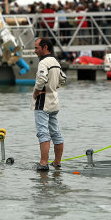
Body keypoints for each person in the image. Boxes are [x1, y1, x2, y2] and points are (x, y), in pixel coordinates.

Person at [32, 37, 66, 171]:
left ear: (45, 48)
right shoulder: (55, 61)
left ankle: (43, 163)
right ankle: (57, 163)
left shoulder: (43, 62)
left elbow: (41, 78)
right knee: (55, 132)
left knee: (43, 133)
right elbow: (63, 79)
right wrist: (53, 86)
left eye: (36, 48)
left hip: (42, 102)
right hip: (54, 102)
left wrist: (36, 92)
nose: (35, 51)